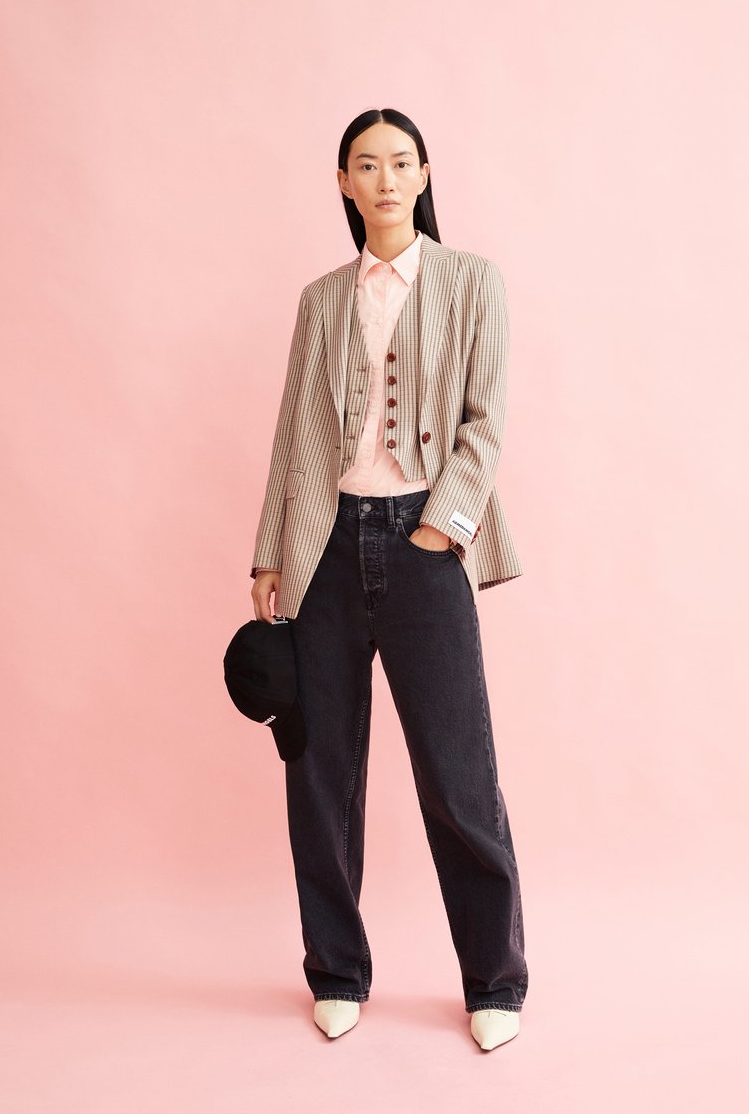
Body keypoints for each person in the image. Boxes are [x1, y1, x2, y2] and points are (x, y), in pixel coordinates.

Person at [249, 107, 528, 1050]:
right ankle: (336, 971)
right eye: (366, 165)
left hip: (424, 541)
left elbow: (485, 422)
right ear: (343, 183)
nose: (385, 179)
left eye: (401, 162)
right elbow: (294, 429)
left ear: (424, 174)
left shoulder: (472, 281)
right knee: (321, 774)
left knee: (459, 775)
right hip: (324, 544)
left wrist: (443, 527)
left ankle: (495, 982)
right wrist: (272, 551)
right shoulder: (322, 299)